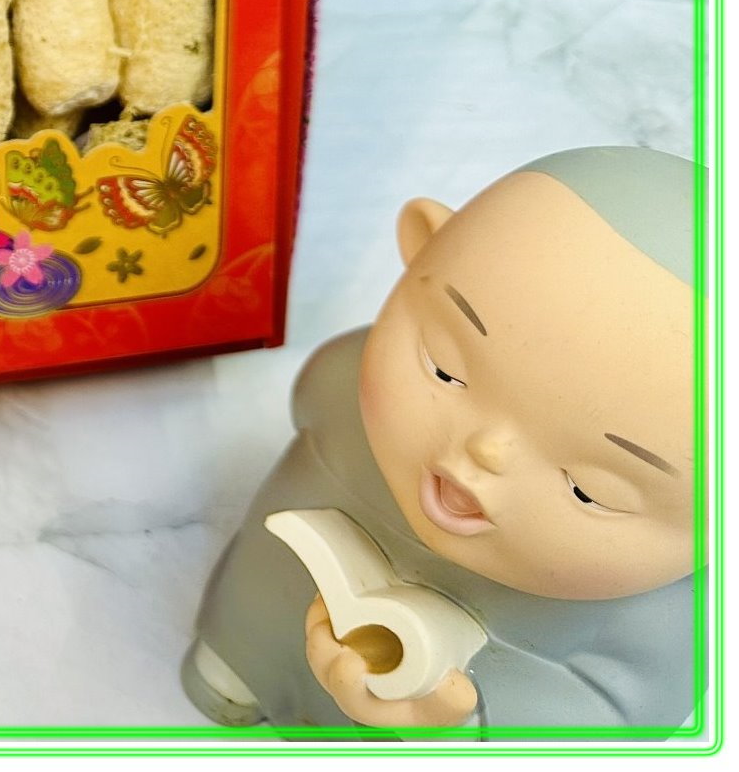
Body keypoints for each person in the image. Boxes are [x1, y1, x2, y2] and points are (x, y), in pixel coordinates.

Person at [185, 147, 698, 735]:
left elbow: (622, 724)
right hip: (268, 607)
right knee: (253, 622)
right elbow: (314, 396)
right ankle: (238, 665)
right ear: (422, 248)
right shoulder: (349, 390)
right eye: (445, 369)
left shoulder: (656, 623)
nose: (486, 450)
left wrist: (465, 722)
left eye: (590, 489)